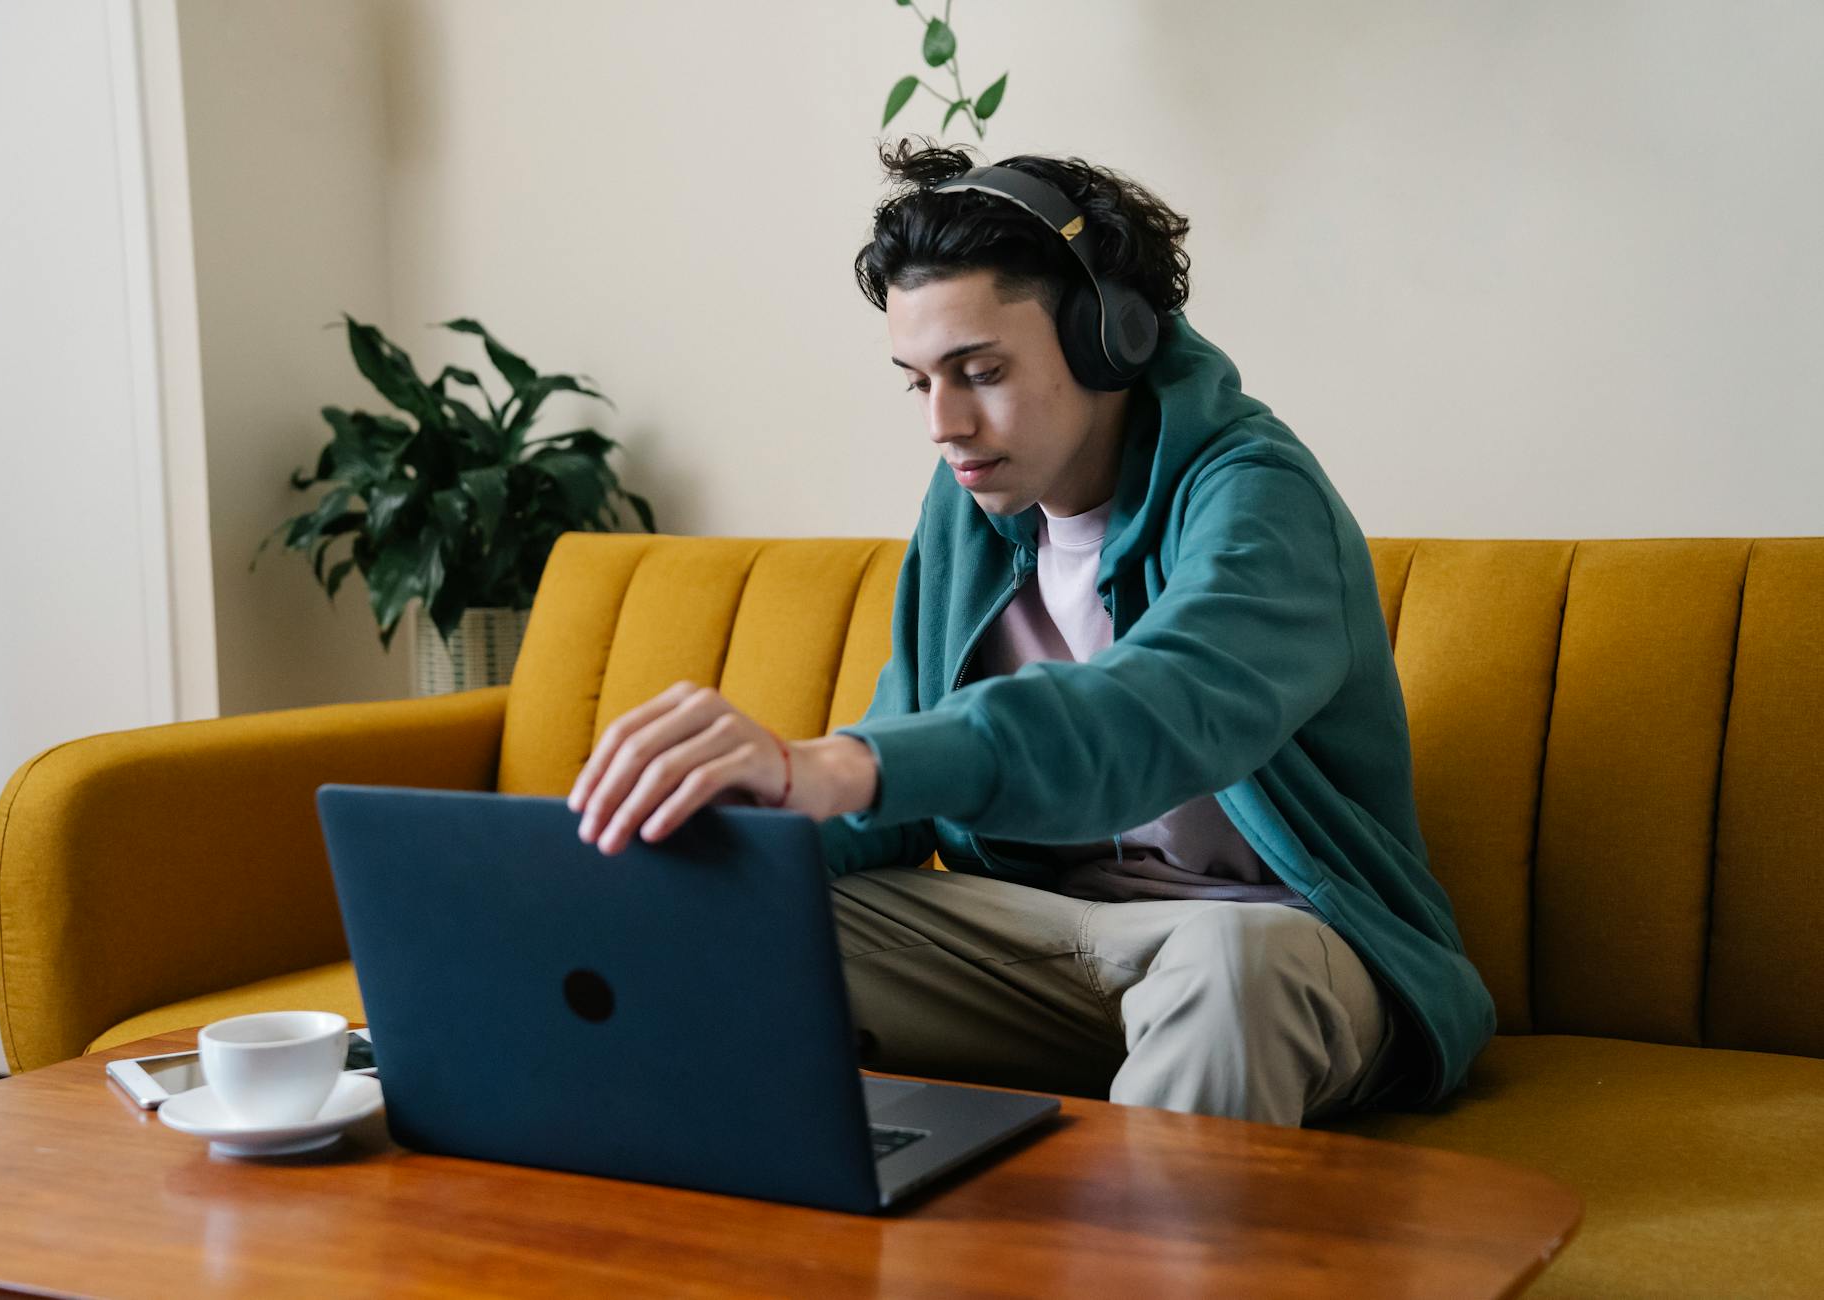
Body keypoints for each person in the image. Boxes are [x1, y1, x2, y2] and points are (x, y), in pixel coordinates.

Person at [565, 137, 1495, 1127]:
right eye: (918, 381)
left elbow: (1151, 713)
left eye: (980, 369)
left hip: (1286, 950)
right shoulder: (967, 504)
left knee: (1236, 962)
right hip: (1058, 949)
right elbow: (906, 779)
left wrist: (839, 761)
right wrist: (715, 845)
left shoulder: (1259, 498)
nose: (945, 422)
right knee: (743, 919)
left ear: (1110, 339)